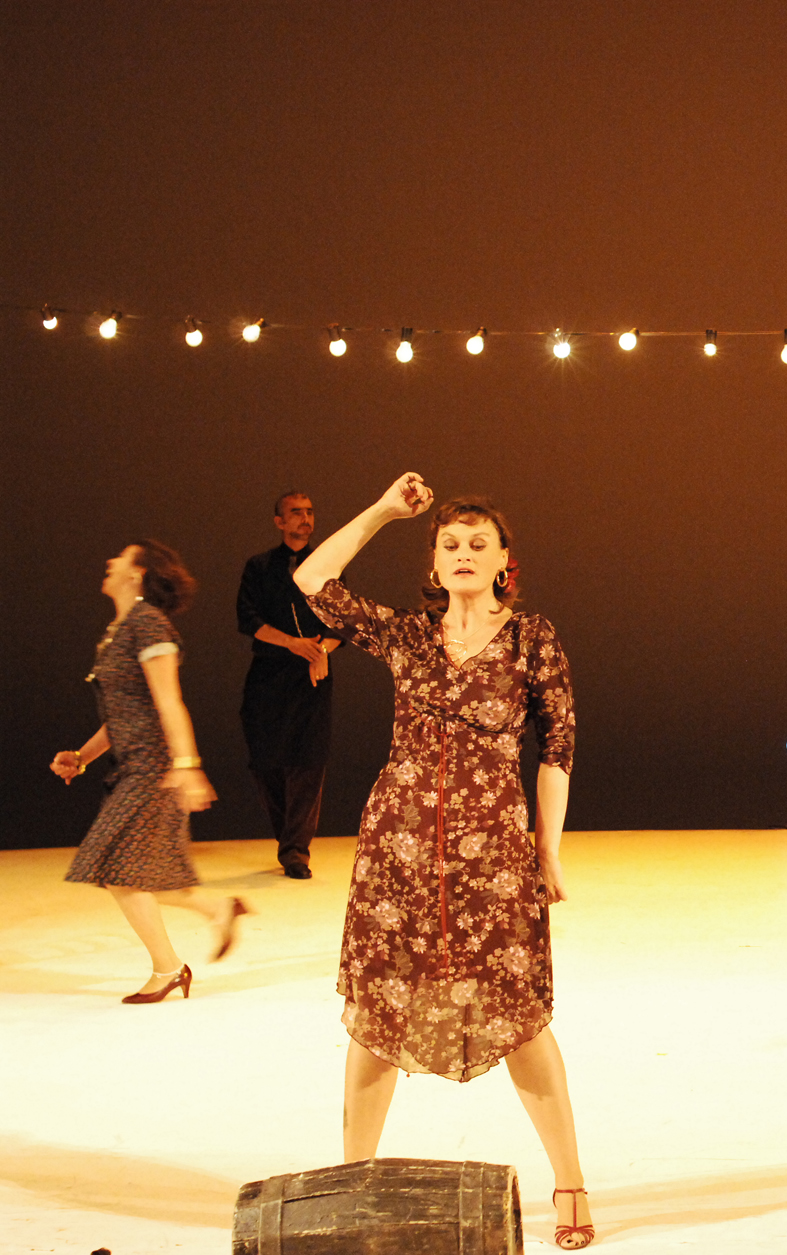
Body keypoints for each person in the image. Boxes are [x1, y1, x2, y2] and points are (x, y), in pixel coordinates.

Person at [293, 473, 592, 1250]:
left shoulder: (532, 638)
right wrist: (384, 511)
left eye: (477, 543)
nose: (463, 552)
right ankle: (354, 1183)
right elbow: (313, 580)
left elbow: (557, 747)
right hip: (396, 850)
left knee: (518, 1017)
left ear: (503, 561)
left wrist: (548, 851)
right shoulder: (408, 637)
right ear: (433, 562)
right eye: (450, 544)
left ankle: (569, 1178)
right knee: (377, 1016)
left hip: (494, 854)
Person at [52, 541, 248, 1003]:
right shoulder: (122, 629)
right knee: (137, 869)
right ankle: (219, 909)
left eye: (120, 557)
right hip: (134, 764)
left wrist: (187, 766)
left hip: (155, 767)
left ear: (137, 573)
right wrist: (81, 756)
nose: (110, 561)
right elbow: (122, 714)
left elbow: (168, 701)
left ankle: (169, 969)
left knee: (117, 867)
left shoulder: (148, 624)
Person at [237, 491, 344, 878]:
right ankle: (288, 839)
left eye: (310, 512)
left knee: (307, 761)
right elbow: (248, 618)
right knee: (266, 760)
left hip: (312, 675)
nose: (305, 518)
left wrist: (320, 652)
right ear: (279, 522)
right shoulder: (260, 566)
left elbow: (342, 623)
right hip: (268, 675)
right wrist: (292, 644)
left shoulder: (329, 566)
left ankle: (296, 850)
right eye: (296, 512)